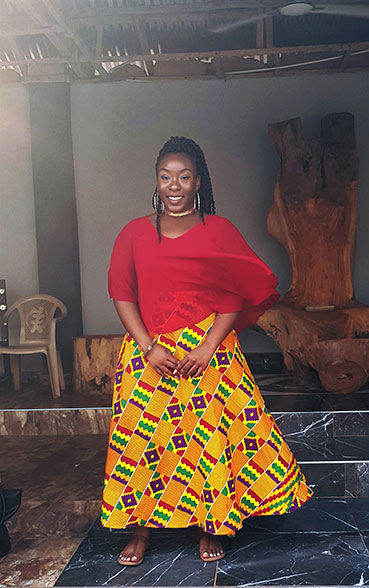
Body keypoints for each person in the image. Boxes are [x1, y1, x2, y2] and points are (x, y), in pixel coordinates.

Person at [101, 136, 313, 566]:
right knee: (142, 445)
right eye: (166, 177)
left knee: (208, 441)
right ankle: (140, 530)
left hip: (209, 349)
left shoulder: (218, 230)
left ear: (198, 181)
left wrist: (207, 347)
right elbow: (122, 294)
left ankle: (209, 525)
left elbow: (234, 297)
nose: (174, 185)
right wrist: (148, 348)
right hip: (151, 353)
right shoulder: (135, 233)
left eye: (183, 176)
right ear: (156, 181)